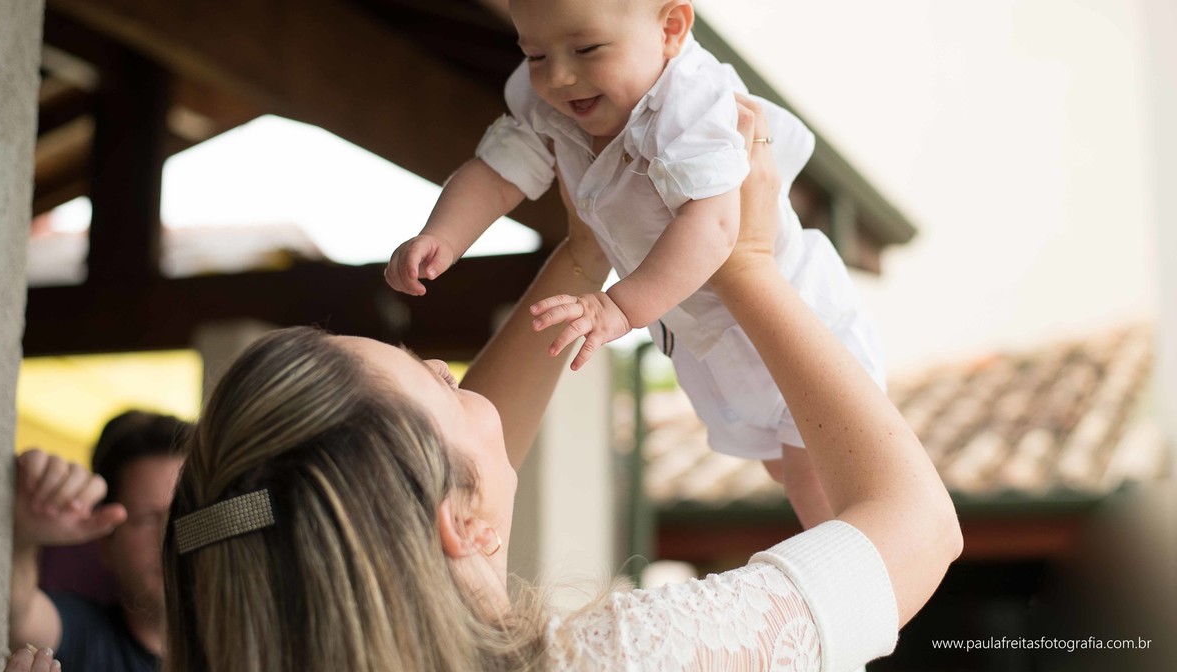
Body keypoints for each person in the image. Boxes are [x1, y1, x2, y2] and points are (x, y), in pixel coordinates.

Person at [154, 99, 962, 671]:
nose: (450, 370)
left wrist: (588, 250)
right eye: (435, 385)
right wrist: (745, 263)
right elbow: (917, 528)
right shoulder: (619, 660)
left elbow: (468, 447)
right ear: (460, 526)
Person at [385, 0, 883, 528]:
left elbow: (717, 225)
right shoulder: (550, 103)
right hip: (708, 339)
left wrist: (618, 306)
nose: (559, 77)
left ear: (671, 28)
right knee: (783, 468)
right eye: (535, 54)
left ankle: (865, 599)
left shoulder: (690, 104)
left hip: (791, 318)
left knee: (824, 487)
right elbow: (495, 172)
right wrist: (443, 235)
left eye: (586, 49)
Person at [8, 410, 191, 672]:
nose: (170, 538)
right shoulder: (86, 637)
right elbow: (18, 615)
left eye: (186, 514)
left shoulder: (248, 645)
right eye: (147, 519)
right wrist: (24, 536)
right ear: (106, 544)